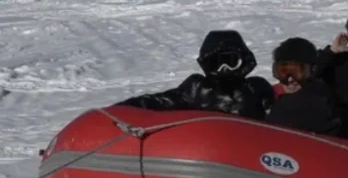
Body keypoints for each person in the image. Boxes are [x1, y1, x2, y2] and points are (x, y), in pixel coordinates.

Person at [117, 30, 274, 120]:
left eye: (231, 61)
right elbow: (160, 101)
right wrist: (121, 110)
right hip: (210, 156)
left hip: (250, 157)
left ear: (243, 61)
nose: (224, 68)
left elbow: (278, 119)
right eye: (216, 63)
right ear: (207, 64)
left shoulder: (256, 87)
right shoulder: (197, 88)